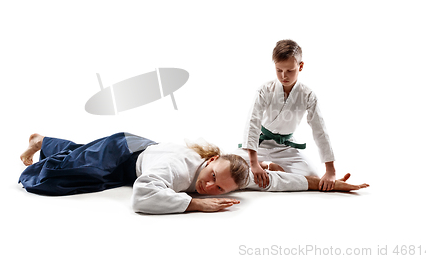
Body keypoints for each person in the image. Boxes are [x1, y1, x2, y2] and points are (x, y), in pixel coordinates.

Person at [19, 132, 368, 215]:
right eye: (213, 177)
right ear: (211, 159)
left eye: (219, 189)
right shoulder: (178, 169)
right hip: (122, 152)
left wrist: (325, 185)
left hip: (142, 150)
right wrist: (194, 205)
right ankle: (42, 142)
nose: (210, 187)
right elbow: (141, 196)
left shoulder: (225, 171)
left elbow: (275, 182)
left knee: (79, 156)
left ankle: (45, 139)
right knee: (54, 179)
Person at [236, 39, 337, 191]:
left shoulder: (307, 95)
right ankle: (266, 166)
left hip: (285, 147)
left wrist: (330, 170)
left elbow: (320, 131)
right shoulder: (265, 90)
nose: (284, 75)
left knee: (311, 174)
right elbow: (253, 123)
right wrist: (254, 163)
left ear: (300, 66)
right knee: (232, 166)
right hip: (259, 144)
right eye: (279, 70)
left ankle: (269, 171)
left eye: (290, 70)